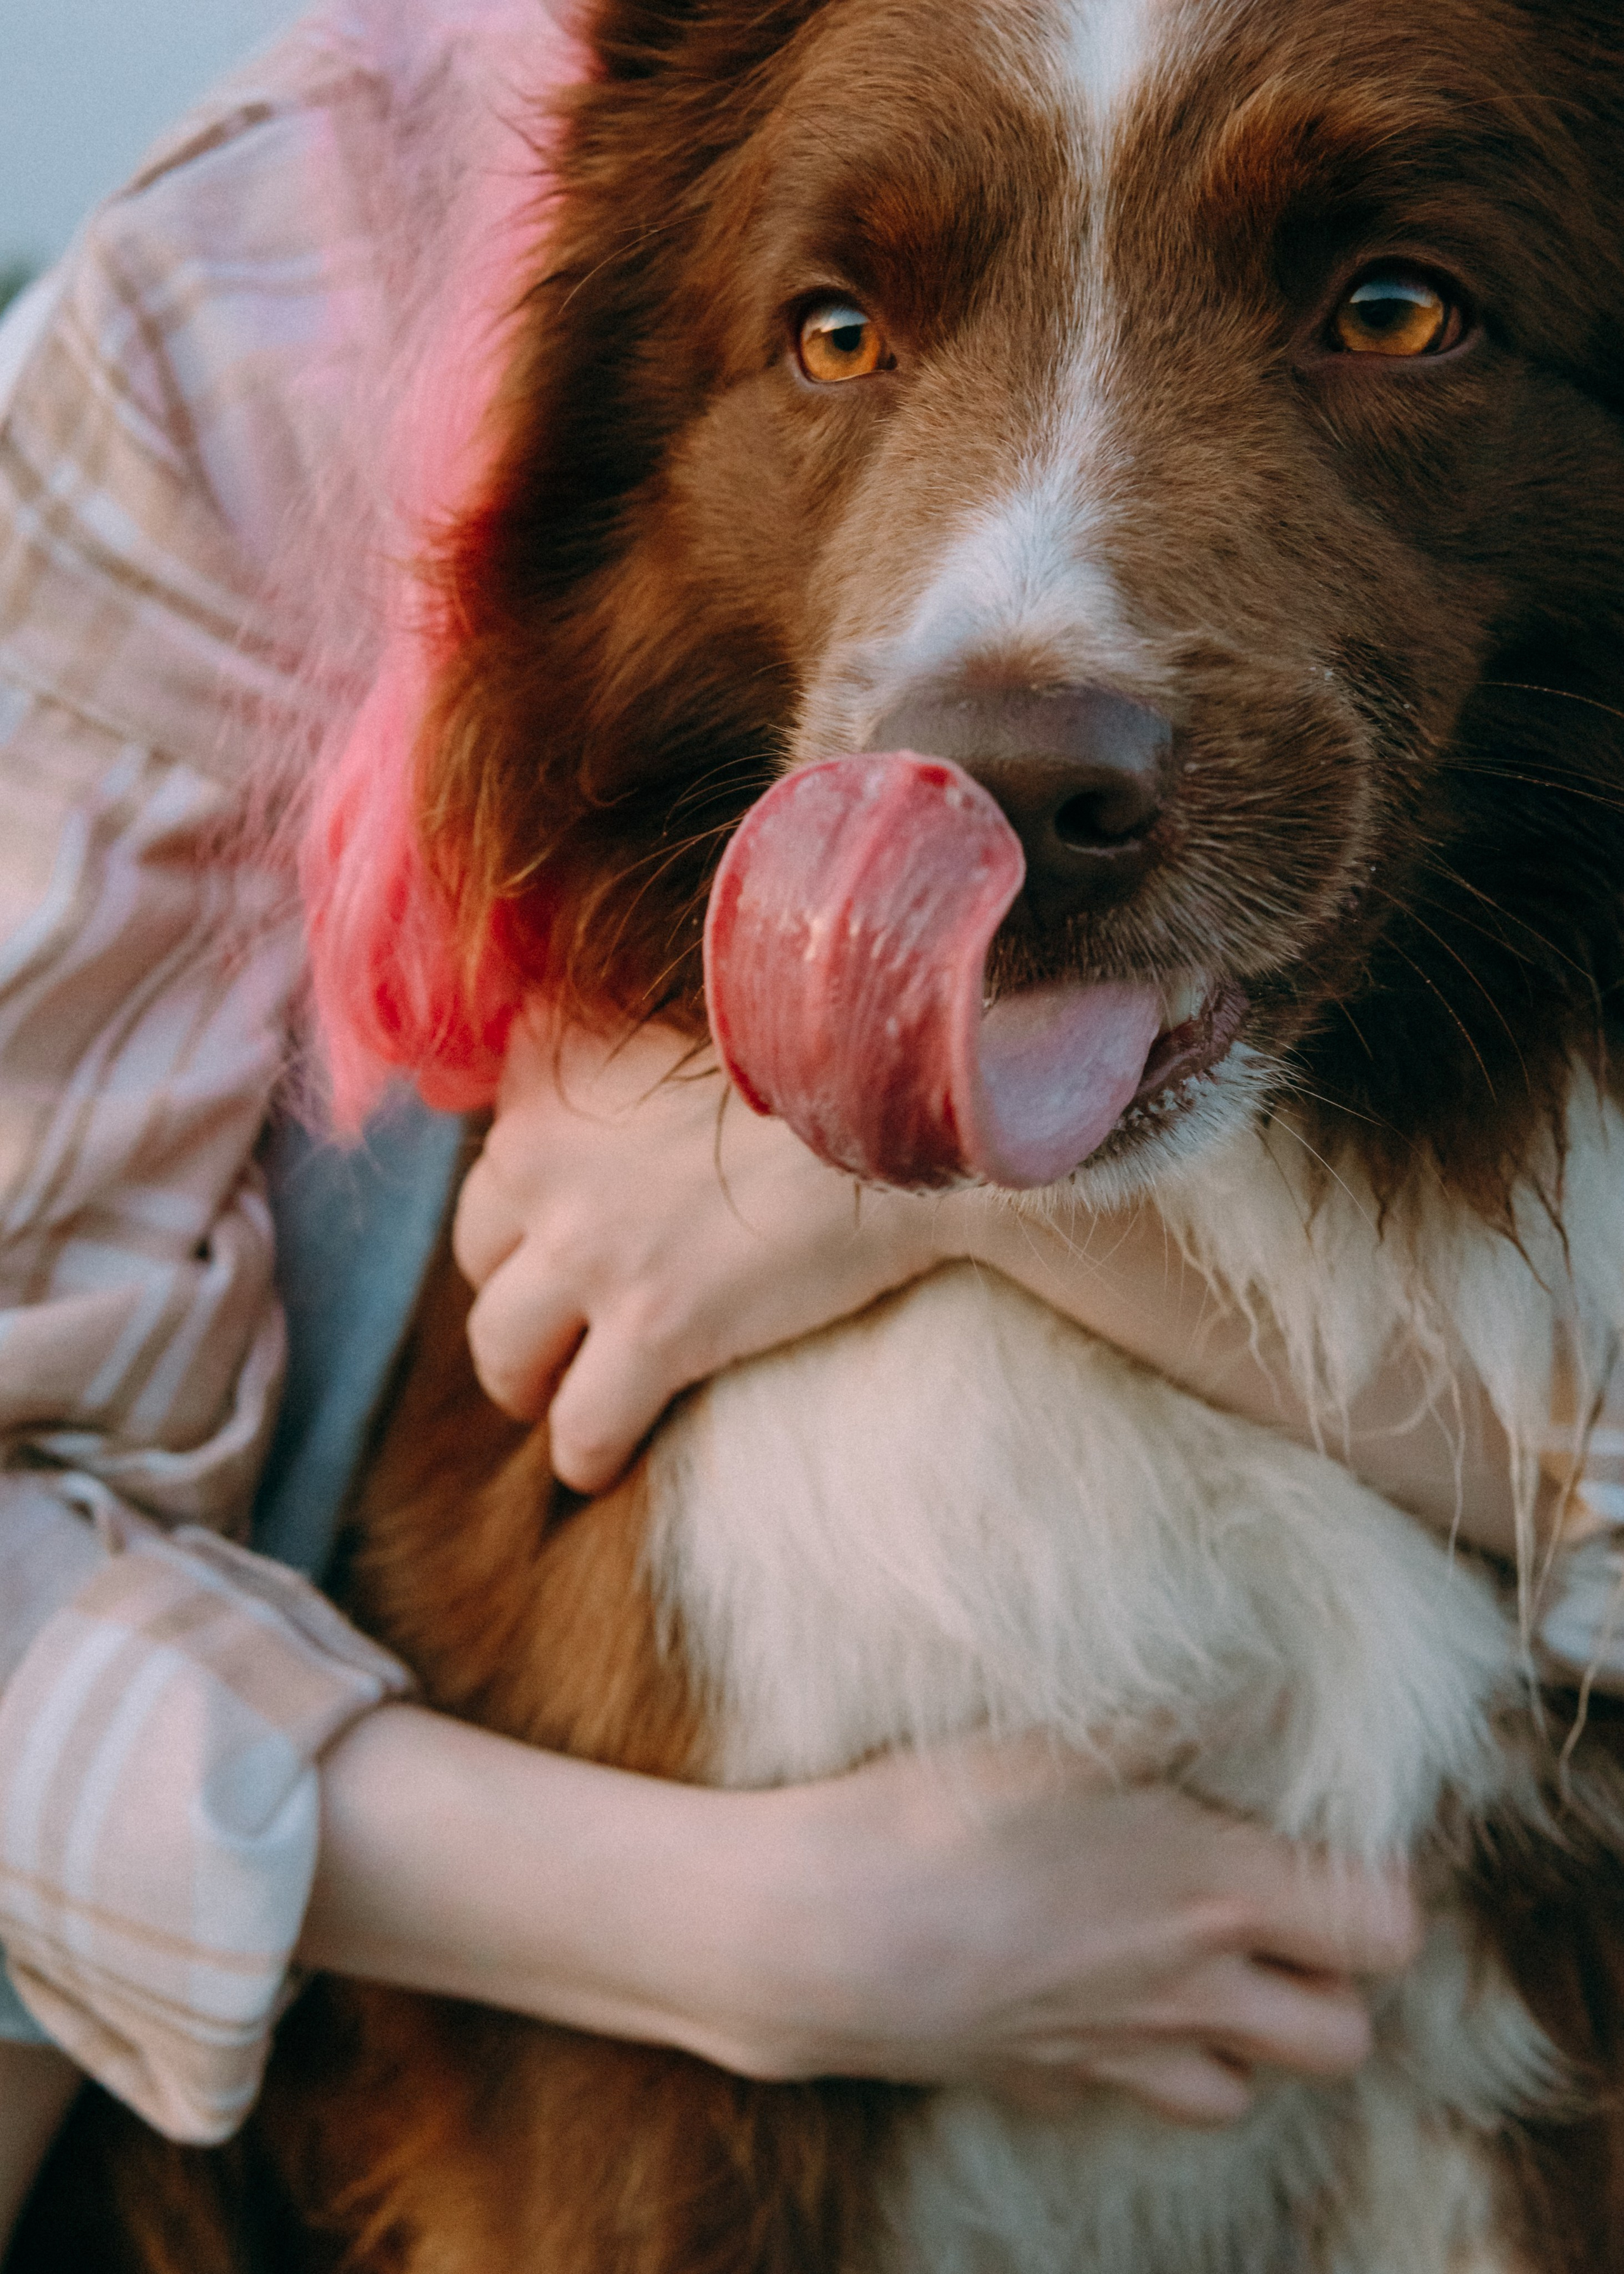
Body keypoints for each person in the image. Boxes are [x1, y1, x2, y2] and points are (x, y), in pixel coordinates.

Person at [1, 0, 1619, 2251]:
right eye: (846, 334)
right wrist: (721, 1931)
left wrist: (914, 1194)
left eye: (1391, 312)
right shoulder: (271, 251)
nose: (1023, 634)